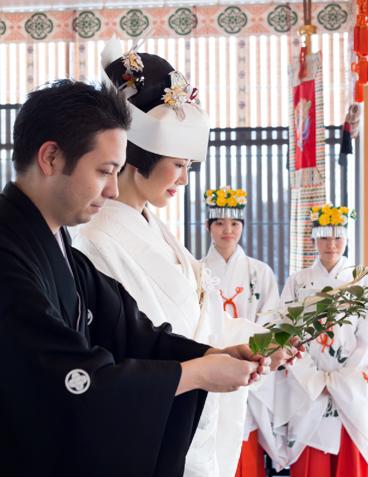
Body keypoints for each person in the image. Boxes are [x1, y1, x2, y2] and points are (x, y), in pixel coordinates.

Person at [0, 79, 275, 477]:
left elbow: (130, 330)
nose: (112, 189)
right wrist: (194, 373)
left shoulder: (58, 245)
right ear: (51, 157)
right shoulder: (10, 254)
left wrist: (207, 355)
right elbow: (73, 378)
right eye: (104, 171)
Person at [73, 39, 297, 477]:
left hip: (191, 417)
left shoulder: (157, 230)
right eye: (177, 165)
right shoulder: (96, 241)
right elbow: (140, 343)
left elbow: (197, 321)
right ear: (136, 160)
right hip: (152, 427)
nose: (183, 180)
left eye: (188, 168)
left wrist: (260, 342)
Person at [278, 204, 368, 477]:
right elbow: (285, 333)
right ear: (314, 238)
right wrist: (312, 377)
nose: (331, 244)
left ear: (347, 238)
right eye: (325, 237)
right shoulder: (298, 282)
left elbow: (366, 340)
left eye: (338, 237)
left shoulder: (361, 281)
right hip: (308, 385)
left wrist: (340, 381)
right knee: (311, 464)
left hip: (350, 388)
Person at [203, 186, 283, 476]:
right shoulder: (199, 270)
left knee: (244, 440)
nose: (228, 230)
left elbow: (271, 320)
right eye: (220, 223)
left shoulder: (259, 272)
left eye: (235, 223)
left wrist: (256, 360)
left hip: (252, 364)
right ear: (208, 226)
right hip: (212, 362)